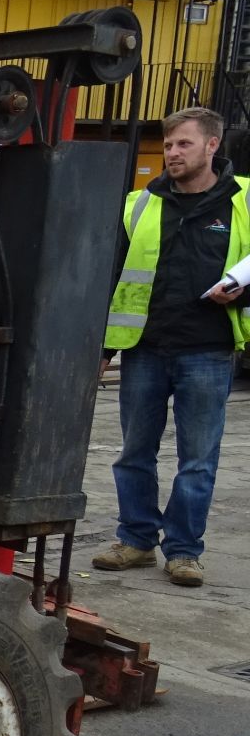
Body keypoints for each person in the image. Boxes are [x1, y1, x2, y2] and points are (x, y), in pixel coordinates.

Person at [92, 107, 248, 587]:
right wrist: (101, 351)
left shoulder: (243, 201)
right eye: (169, 144)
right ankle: (136, 540)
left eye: (183, 144)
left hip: (208, 348)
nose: (172, 153)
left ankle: (183, 551)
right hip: (145, 348)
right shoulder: (139, 203)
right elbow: (113, 276)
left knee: (198, 458)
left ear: (212, 146)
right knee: (134, 451)